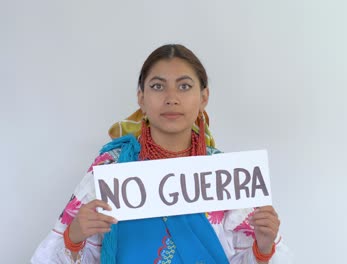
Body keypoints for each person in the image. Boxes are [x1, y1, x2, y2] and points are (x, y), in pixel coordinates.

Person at [31, 44, 292, 263]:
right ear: (141, 98)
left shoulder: (228, 176)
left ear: (204, 97)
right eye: (157, 86)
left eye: (184, 86)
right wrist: (74, 237)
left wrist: (264, 246)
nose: (171, 98)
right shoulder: (112, 170)